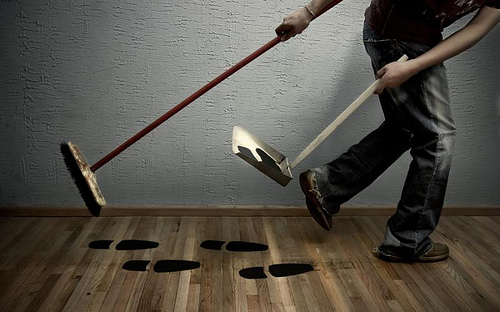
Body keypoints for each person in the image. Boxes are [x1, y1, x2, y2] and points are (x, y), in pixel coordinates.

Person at [276, 0, 500, 262]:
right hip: (396, 36)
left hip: (413, 41)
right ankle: (407, 240)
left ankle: (328, 185)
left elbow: (479, 27)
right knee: (438, 138)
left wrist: (413, 66)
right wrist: (308, 12)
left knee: (405, 128)